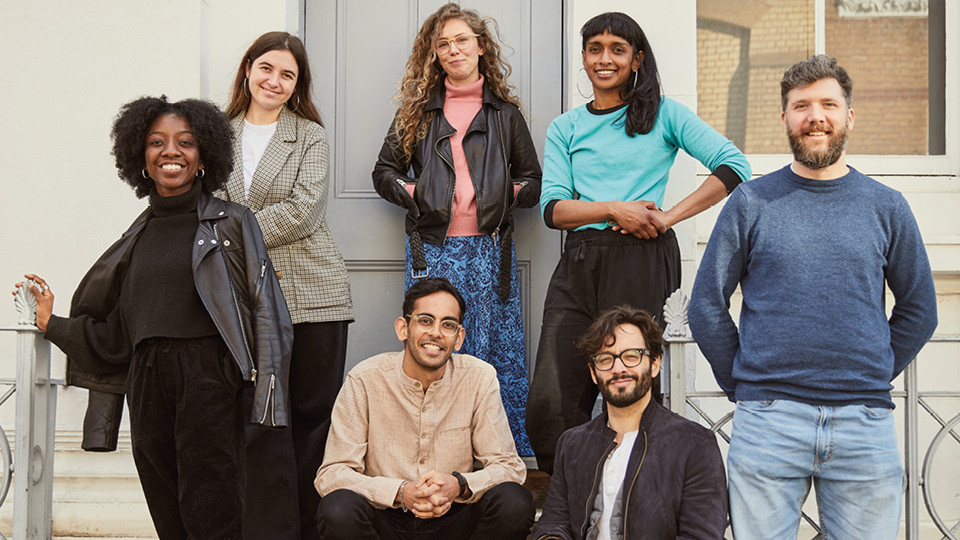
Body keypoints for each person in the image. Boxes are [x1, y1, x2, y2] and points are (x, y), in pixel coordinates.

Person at [13, 96, 292, 539]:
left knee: (213, 508)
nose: (171, 151)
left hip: (208, 378)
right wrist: (53, 324)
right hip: (147, 380)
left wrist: (267, 399)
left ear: (204, 157)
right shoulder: (137, 236)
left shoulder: (233, 223)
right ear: (140, 156)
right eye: (156, 142)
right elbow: (116, 338)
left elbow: (269, 312)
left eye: (186, 142)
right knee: (166, 507)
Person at [688, 55, 938, 540]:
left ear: (849, 116)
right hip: (769, 421)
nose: (815, 116)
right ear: (784, 118)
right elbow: (705, 305)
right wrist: (744, 384)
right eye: (801, 106)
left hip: (864, 422)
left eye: (828, 104)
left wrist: (871, 371)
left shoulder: (886, 206)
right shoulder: (751, 202)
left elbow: (920, 309)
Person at [526, 11, 752, 474]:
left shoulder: (664, 114)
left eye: (617, 49)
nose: (604, 59)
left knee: (631, 383)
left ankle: (637, 496)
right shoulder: (565, 127)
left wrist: (668, 217)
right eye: (594, 49)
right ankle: (570, 500)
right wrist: (614, 207)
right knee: (552, 400)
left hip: (642, 259)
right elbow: (553, 210)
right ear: (584, 58)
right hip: (580, 260)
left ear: (636, 59)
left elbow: (733, 166)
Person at [372, 3, 542, 456]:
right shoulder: (419, 112)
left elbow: (535, 180)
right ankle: (429, 456)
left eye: (462, 40)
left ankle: (498, 458)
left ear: (481, 47)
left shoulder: (505, 114)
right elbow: (384, 171)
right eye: (443, 44)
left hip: (490, 253)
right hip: (433, 250)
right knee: (432, 350)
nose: (453, 50)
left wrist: (506, 195)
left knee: (490, 356)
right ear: (434, 55)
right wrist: (416, 193)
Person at [221, 31, 354, 539]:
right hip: (240, 296)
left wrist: (239, 232)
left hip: (314, 293)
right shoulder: (217, 132)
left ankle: (310, 526)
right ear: (248, 69)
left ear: (297, 85)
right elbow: (207, 206)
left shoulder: (310, 136)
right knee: (255, 419)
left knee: (311, 415)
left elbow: (304, 210)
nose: (274, 81)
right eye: (267, 69)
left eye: (288, 75)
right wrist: (240, 242)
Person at [314, 277, 534, 540]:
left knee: (514, 502)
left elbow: (509, 467)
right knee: (337, 509)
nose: (436, 333)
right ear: (403, 328)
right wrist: (400, 491)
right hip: (384, 520)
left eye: (448, 324)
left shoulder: (478, 378)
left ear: (459, 337)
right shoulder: (364, 379)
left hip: (453, 520)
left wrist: (459, 485)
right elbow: (331, 474)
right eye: (425, 320)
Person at [532, 306, 728, 540]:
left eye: (631, 356)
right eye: (605, 359)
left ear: (654, 364)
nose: (618, 368)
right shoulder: (572, 444)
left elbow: (700, 535)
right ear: (594, 374)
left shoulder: (694, 445)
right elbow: (554, 523)